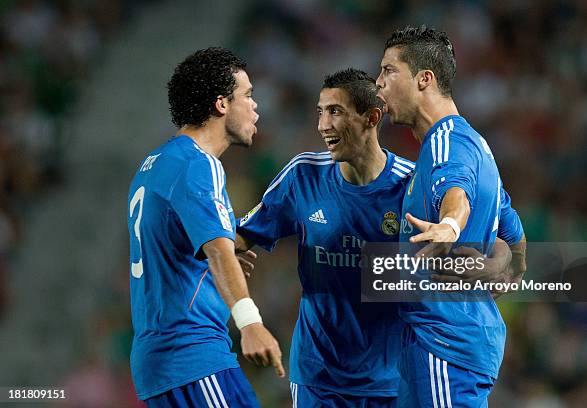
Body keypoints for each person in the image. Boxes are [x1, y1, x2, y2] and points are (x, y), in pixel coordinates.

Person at [236, 68, 521, 407]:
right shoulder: (303, 176)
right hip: (318, 377)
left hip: (391, 379)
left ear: (371, 117)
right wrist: (230, 257)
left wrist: (495, 266)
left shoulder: (410, 184)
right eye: (320, 112)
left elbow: (498, 231)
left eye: (335, 111)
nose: (322, 125)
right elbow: (239, 236)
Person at [376, 26, 527, 407]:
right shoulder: (473, 146)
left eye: (388, 71)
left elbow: (454, 197)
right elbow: (513, 230)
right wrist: (508, 269)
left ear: (424, 79)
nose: (378, 84)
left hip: (443, 343)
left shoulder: (447, 144)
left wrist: (449, 226)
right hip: (439, 342)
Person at [127, 47, 284, 408]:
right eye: (248, 95)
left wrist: (216, 264)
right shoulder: (201, 164)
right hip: (192, 355)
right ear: (221, 104)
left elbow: (176, 251)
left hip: (159, 359)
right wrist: (250, 323)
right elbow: (215, 249)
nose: (255, 106)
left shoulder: (154, 164)